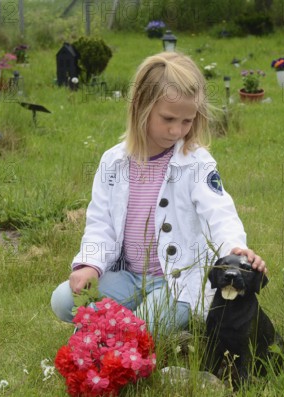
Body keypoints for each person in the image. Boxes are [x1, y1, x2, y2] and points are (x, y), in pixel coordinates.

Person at [51, 51, 267, 335]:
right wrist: (90, 264)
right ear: (142, 106)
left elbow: (220, 213)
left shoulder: (196, 162)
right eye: (168, 119)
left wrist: (235, 249)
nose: (177, 130)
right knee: (64, 300)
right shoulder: (113, 162)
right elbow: (99, 221)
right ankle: (124, 323)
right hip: (128, 277)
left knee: (145, 326)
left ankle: (139, 327)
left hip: (177, 284)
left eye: (187, 121)